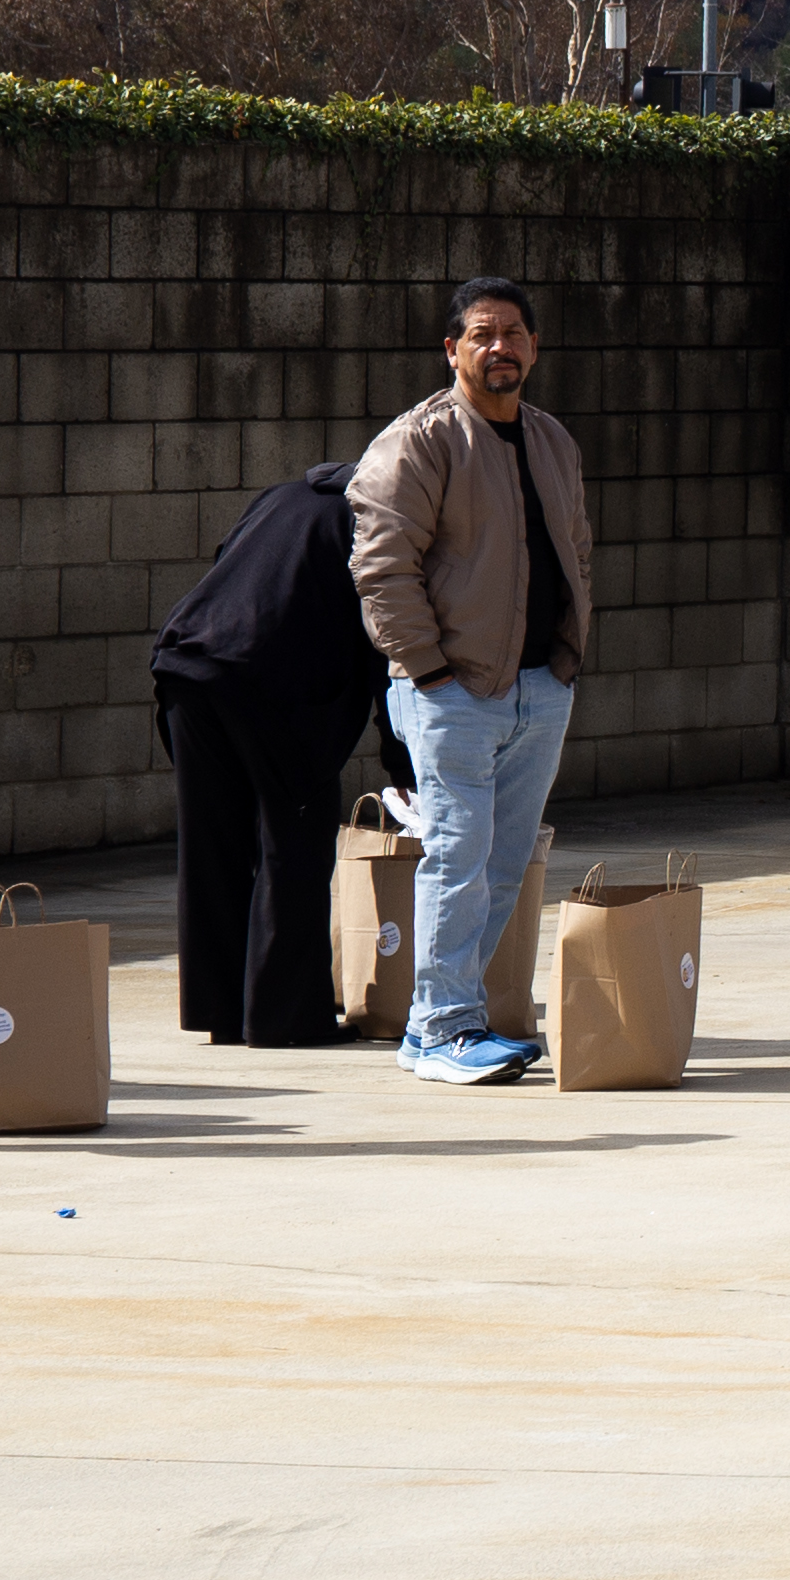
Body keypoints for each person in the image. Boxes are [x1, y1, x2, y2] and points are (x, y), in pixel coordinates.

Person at [351, 277, 596, 1088]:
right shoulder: (417, 443)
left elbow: (576, 551)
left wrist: (566, 658)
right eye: (483, 334)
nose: (502, 347)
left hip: (540, 686)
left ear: (534, 347)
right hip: (452, 691)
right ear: (451, 350)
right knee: (458, 857)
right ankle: (439, 1028)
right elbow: (382, 569)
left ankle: (452, 1017)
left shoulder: (553, 440)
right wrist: (428, 670)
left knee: (505, 863)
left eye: (516, 333)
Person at [149, 459, 381, 1047]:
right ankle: (285, 1017)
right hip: (272, 684)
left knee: (213, 848)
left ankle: (221, 1010)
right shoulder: (381, 517)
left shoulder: (283, 497)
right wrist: (405, 762)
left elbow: (229, 557)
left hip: (189, 665)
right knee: (293, 844)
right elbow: (391, 633)